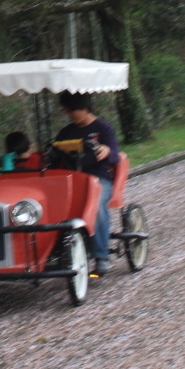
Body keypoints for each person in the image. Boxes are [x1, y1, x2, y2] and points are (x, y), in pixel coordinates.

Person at [48, 90, 120, 277]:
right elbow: (54, 160)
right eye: (67, 111)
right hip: (72, 182)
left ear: (85, 108)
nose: (70, 115)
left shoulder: (103, 129)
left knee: (95, 207)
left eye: (73, 110)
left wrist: (106, 151)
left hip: (98, 179)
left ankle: (101, 256)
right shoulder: (65, 132)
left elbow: (115, 155)